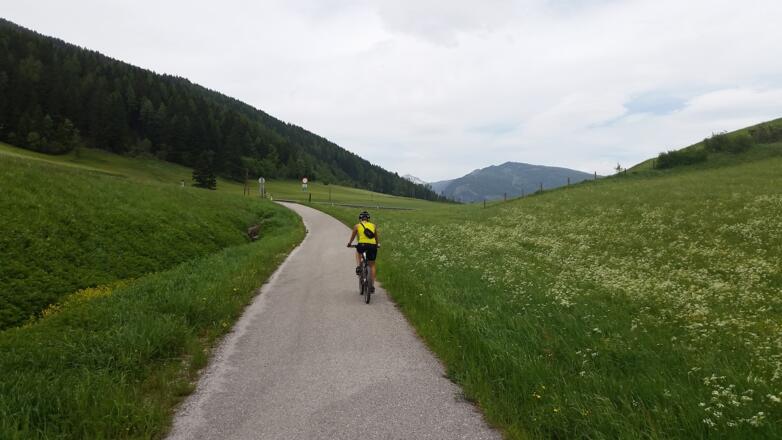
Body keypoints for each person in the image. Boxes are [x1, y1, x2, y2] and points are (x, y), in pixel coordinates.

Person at [346, 211, 379, 292]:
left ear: (360, 219)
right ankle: (372, 285)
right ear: (368, 219)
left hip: (362, 245)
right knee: (372, 265)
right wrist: (377, 244)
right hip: (372, 246)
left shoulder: (357, 226)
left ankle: (358, 267)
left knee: (358, 251)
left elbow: (353, 236)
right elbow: (376, 237)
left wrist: (349, 243)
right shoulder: (373, 225)